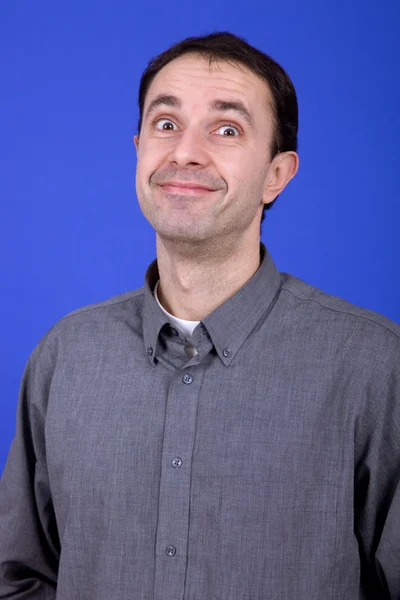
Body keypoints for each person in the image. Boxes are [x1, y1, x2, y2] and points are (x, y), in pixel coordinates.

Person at [0, 30, 399, 600]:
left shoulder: (374, 365)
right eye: (166, 125)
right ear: (138, 148)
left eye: (227, 129)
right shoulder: (65, 357)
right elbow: (17, 579)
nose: (184, 151)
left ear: (276, 175)